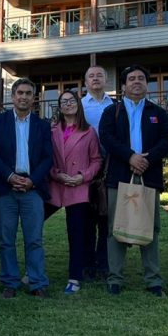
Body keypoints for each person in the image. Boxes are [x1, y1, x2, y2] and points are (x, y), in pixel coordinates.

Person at [99, 65, 168, 296]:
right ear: (123, 85)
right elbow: (106, 137)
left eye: (141, 78)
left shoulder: (157, 112)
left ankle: (153, 280)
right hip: (119, 177)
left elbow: (167, 140)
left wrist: (145, 160)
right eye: (131, 79)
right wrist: (130, 156)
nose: (136, 82)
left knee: (150, 227)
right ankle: (115, 279)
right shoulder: (112, 112)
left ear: (146, 84)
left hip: (148, 176)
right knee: (116, 228)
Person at [0, 78, 54, 298]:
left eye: (28, 93)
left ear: (33, 98)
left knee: (34, 239)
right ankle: (10, 282)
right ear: (13, 97)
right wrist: (9, 176)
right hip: (5, 188)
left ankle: (37, 282)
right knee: (6, 239)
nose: (24, 97)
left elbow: (48, 157)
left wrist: (32, 180)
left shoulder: (42, 124)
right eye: (20, 93)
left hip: (32, 188)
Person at [48, 89, 102, 295]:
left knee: (76, 233)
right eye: (63, 101)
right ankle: (32, 271)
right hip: (56, 184)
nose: (68, 104)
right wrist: (56, 174)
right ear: (59, 107)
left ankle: (75, 277)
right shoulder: (52, 130)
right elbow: (46, 158)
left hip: (79, 186)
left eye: (71, 100)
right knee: (34, 224)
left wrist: (83, 176)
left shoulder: (89, 132)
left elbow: (97, 160)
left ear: (78, 104)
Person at [81, 65, 114, 281]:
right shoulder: (79, 106)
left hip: (110, 167)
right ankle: (86, 265)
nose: (95, 79)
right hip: (84, 168)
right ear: (85, 82)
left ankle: (104, 264)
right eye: (91, 76)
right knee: (86, 219)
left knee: (106, 218)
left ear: (105, 80)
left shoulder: (116, 106)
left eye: (99, 75)